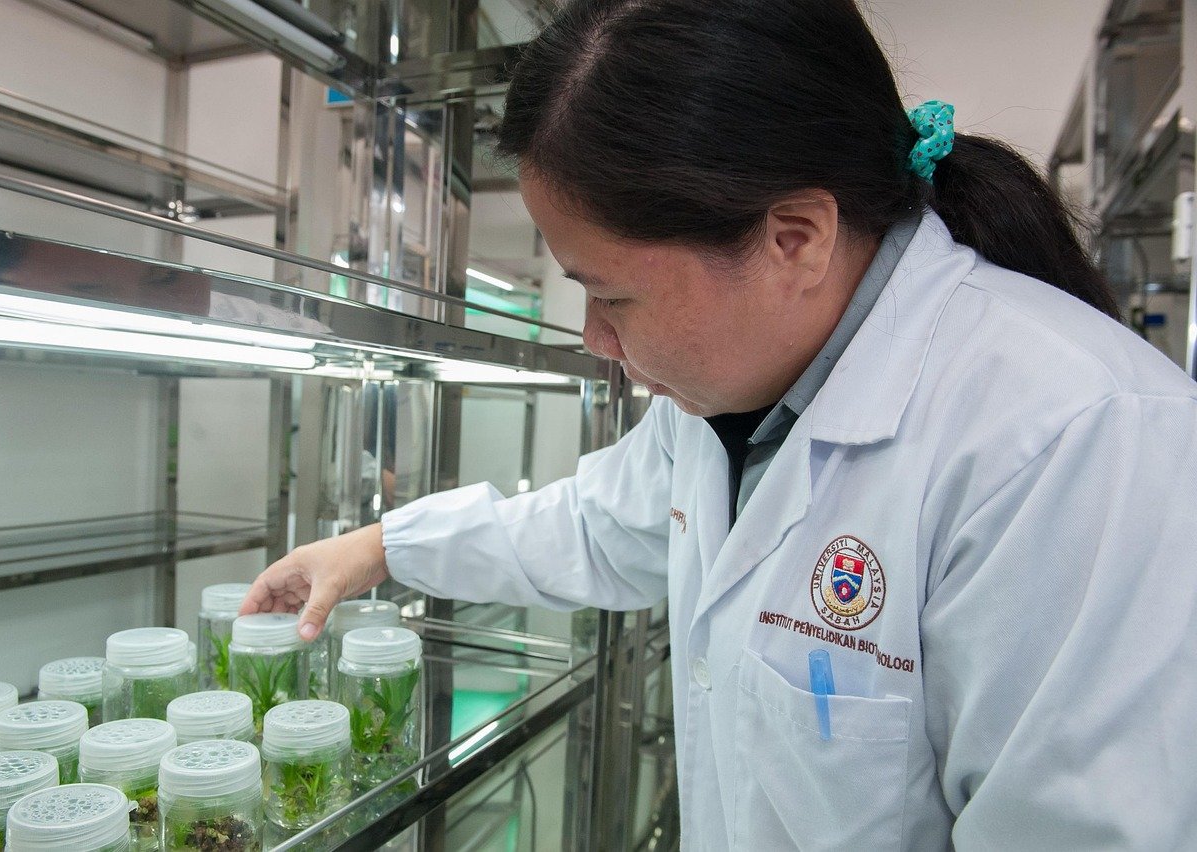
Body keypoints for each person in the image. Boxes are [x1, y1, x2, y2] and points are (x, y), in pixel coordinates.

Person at [242, 0, 1197, 847]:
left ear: (796, 238)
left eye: (611, 295)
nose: (596, 339)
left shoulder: (1079, 445)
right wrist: (376, 547)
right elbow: (598, 524)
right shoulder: (736, 395)